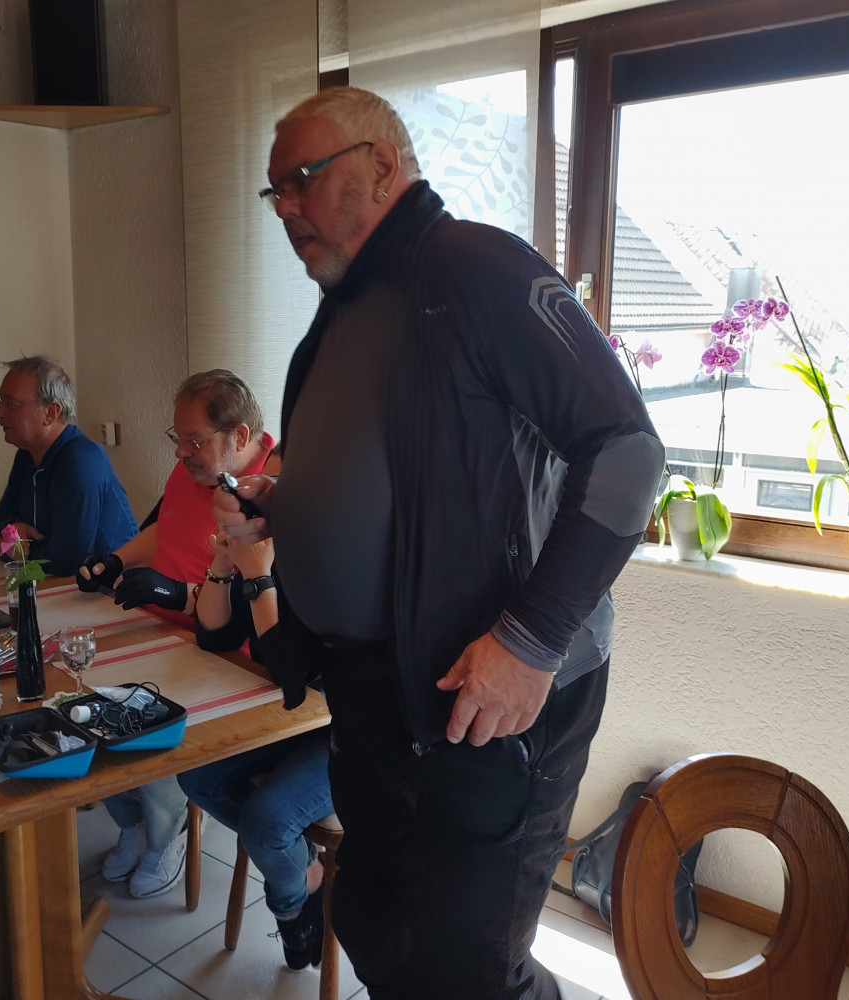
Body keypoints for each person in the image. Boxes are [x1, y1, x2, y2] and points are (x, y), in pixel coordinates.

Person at [215, 87, 666, 1000]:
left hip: (484, 698)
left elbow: (626, 453)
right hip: (377, 699)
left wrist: (530, 640)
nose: (287, 208)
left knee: (467, 974)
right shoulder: (346, 308)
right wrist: (289, 508)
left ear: (382, 165)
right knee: (375, 925)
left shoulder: (471, 268)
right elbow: (407, 477)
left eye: (303, 179)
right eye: (275, 192)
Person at [79, 369, 275, 899]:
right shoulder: (197, 470)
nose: (181, 452)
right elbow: (164, 528)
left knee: (149, 718)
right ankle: (134, 822)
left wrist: (174, 592)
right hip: (159, 629)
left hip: (224, 653)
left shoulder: (269, 492)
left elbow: (249, 604)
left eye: (194, 440)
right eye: (178, 437)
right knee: (85, 695)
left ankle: (169, 833)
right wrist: (116, 559)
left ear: (239, 436)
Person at [178, 448, 335, 973]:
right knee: (196, 774)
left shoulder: (335, 560)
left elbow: (294, 675)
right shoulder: (270, 551)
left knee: (267, 821)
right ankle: (305, 871)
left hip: (353, 732)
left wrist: (261, 578)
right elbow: (213, 637)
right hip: (297, 721)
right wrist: (224, 565)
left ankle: (292, 906)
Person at [0, 355, 137, 576]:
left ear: (50, 413)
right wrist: (12, 531)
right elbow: (2, 515)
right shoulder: (26, 455)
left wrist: (9, 551)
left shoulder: (82, 460)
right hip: (61, 581)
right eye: (1, 402)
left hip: (112, 586)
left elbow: (68, 560)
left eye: (11, 404)